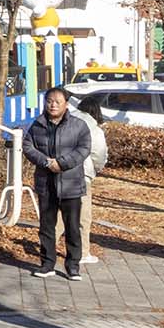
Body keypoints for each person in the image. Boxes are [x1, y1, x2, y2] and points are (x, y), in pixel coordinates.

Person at [21, 87, 91, 281]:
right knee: (46, 226)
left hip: (71, 184)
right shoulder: (37, 125)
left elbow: (84, 148)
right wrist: (46, 162)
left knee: (72, 227)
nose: (52, 105)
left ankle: (73, 266)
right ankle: (47, 264)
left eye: (57, 101)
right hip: (46, 183)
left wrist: (62, 163)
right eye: (49, 101)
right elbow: (28, 146)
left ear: (66, 104)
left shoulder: (79, 126)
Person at [73, 101, 109, 264]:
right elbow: (99, 154)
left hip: (59, 172)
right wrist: (94, 169)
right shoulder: (94, 128)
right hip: (82, 174)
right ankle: (83, 252)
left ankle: (48, 248)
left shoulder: (65, 119)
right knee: (83, 215)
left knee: (59, 213)